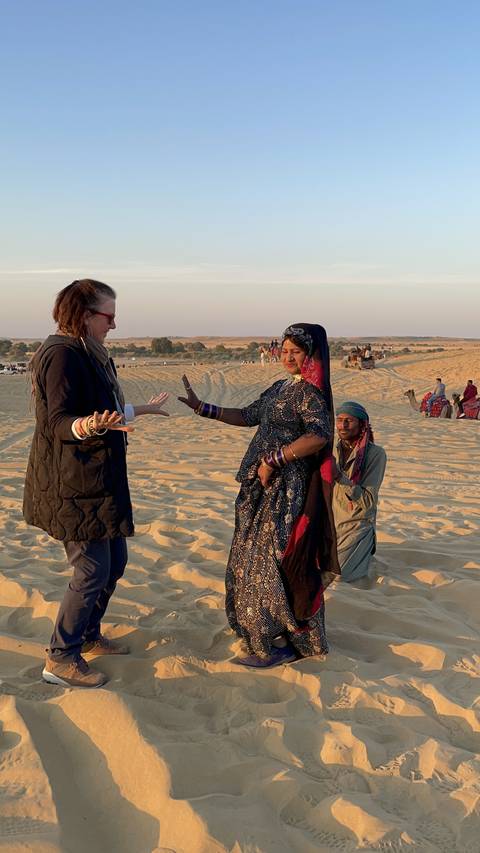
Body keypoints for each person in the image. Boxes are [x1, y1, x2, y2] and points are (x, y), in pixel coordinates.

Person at [23, 279, 169, 688]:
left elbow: (98, 410)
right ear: (85, 316)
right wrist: (88, 426)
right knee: (90, 570)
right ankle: (60, 658)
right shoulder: (61, 355)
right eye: (109, 315)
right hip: (72, 483)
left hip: (99, 480)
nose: (114, 324)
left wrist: (140, 409)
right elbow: (59, 421)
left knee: (115, 563)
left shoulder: (88, 351)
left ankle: (87, 635)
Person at [179, 323, 340, 667]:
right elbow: (249, 415)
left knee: (274, 560)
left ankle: (281, 642)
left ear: (311, 355)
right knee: (249, 557)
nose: (288, 358)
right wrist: (202, 408)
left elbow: (319, 436)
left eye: (296, 352)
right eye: (284, 351)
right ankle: (264, 633)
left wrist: (275, 459)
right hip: (259, 486)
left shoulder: (311, 394)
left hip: (285, 488)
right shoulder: (280, 386)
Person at [332, 402, 387, 583]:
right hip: (329, 523)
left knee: (339, 576)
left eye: (349, 421)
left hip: (356, 525)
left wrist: (340, 477)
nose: (343, 425)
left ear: (362, 424)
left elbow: (368, 502)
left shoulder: (375, 454)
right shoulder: (330, 449)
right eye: (340, 420)